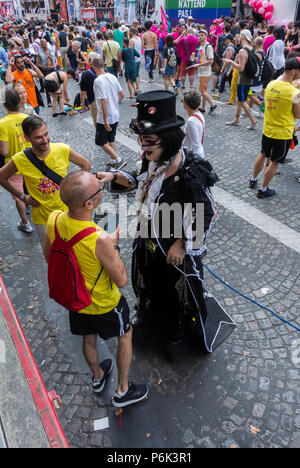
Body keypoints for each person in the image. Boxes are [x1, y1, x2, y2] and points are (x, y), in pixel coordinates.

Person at [95, 90, 235, 361]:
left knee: (176, 292)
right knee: (151, 281)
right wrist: (113, 175)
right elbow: (138, 181)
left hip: (175, 249)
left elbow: (207, 213)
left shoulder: (189, 171)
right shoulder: (151, 160)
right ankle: (154, 319)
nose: (143, 146)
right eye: (141, 140)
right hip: (147, 238)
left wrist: (182, 244)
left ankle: (175, 332)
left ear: (168, 139)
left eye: (149, 141)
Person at [44, 170, 148, 406]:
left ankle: (98, 376)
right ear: (89, 203)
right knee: (125, 335)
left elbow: (48, 256)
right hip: (104, 303)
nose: (103, 189)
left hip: (75, 299)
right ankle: (122, 391)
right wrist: (114, 243)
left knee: (88, 339)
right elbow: (121, 279)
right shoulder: (99, 239)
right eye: (99, 189)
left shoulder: (55, 218)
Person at [0, 115, 91, 249]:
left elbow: (86, 165)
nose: (45, 140)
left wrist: (78, 193)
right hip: (43, 220)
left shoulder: (62, 149)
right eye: (38, 137)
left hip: (69, 213)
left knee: (78, 253)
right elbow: (2, 176)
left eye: (46, 134)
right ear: (27, 138)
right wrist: (22, 196)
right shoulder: (20, 159)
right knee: (53, 257)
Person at [249, 57, 300, 198]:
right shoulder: (294, 93)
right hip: (282, 133)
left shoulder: (271, 84)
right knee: (274, 162)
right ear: (294, 71)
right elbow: (298, 115)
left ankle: (253, 180)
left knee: (262, 154)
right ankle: (263, 189)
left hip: (268, 128)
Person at [0, 88, 32, 233]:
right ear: (19, 102)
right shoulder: (27, 118)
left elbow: (4, 151)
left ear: (4, 105)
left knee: (19, 195)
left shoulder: (3, 124)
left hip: (13, 166)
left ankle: (25, 223)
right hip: (30, 161)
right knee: (32, 187)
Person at [92, 56, 126, 169]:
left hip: (105, 117)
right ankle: (113, 161)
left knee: (100, 141)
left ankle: (117, 159)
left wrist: (105, 121)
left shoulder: (98, 81)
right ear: (104, 65)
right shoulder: (112, 76)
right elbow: (122, 94)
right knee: (111, 138)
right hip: (115, 114)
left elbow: (104, 101)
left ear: (93, 66)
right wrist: (114, 104)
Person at [224, 29, 257, 130]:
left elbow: (241, 68)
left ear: (242, 37)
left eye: (239, 36)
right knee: (239, 99)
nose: (236, 38)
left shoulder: (243, 51)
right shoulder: (251, 48)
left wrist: (230, 61)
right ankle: (236, 119)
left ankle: (253, 121)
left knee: (242, 101)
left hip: (243, 79)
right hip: (248, 78)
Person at [192, 29, 217, 115]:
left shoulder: (208, 46)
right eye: (199, 35)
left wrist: (198, 65)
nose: (200, 37)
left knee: (201, 91)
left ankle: (213, 105)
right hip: (201, 71)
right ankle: (202, 108)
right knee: (204, 91)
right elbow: (201, 59)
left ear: (206, 36)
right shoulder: (200, 47)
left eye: (202, 35)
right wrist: (194, 58)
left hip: (205, 72)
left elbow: (211, 60)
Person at [182, 89, 205, 159]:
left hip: (191, 156)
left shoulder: (191, 121)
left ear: (187, 105)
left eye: (182, 101)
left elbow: (196, 145)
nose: (182, 102)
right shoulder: (199, 114)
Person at [80, 52, 100, 126]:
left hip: (94, 102)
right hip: (106, 101)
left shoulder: (85, 74)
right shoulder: (105, 71)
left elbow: (82, 92)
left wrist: (83, 105)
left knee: (97, 124)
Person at [214, 33, 235, 99]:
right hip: (229, 68)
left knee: (225, 81)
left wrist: (222, 69)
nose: (224, 40)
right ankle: (219, 95)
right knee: (228, 82)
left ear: (229, 40)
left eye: (226, 39)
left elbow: (227, 60)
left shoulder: (229, 48)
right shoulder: (231, 47)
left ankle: (219, 95)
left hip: (228, 68)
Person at [129, 28, 142, 93]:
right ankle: (138, 86)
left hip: (134, 59)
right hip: (139, 58)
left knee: (135, 74)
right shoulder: (139, 38)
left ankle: (137, 88)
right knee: (137, 73)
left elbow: (131, 51)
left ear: (131, 32)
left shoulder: (132, 40)